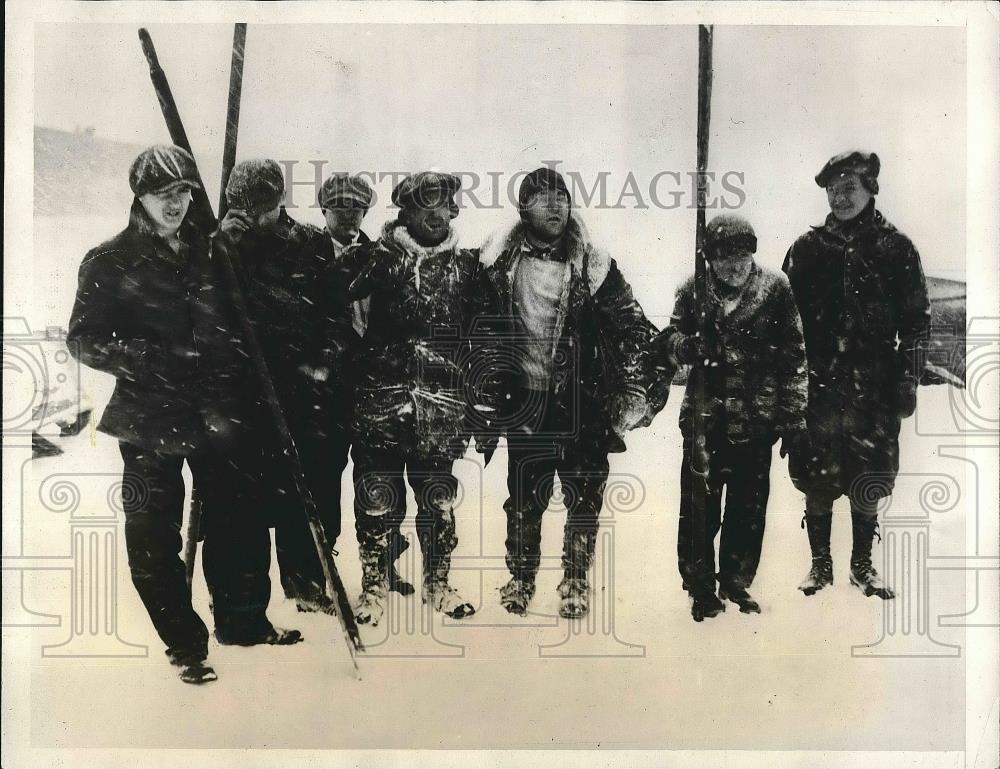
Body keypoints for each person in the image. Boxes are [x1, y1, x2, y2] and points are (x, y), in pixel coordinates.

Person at [67, 145, 299, 685]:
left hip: (219, 411)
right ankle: (185, 643)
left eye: (184, 192)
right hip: (149, 417)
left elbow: (243, 314)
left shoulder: (211, 252)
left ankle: (242, 621)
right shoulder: (109, 261)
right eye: (163, 194)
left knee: (237, 520)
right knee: (152, 534)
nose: (175, 204)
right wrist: (146, 357)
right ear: (140, 197)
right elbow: (84, 339)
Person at [478, 167, 661, 619]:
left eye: (561, 196)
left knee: (584, 496)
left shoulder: (595, 266)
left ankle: (575, 580)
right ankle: (520, 579)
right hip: (526, 401)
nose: (555, 204)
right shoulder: (497, 264)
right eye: (542, 197)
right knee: (524, 496)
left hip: (582, 402)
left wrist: (661, 355)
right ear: (524, 209)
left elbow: (632, 324)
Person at [783, 151, 930, 600]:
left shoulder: (897, 248)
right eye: (832, 189)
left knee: (870, 474)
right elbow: (784, 321)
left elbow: (918, 322)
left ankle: (862, 564)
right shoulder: (806, 250)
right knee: (816, 474)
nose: (839, 197)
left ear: (870, 188)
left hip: (875, 388)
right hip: (819, 387)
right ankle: (820, 563)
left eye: (848, 187)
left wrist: (908, 378)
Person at [214, 159, 357, 613]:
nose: (258, 217)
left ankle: (308, 583)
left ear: (281, 201)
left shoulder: (310, 243)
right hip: (243, 391)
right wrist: (224, 249)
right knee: (245, 501)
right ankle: (243, 602)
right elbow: (204, 309)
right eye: (247, 208)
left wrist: (325, 363)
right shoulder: (222, 246)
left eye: (267, 207)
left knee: (310, 488)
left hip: (304, 390)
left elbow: (336, 313)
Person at [657, 215, 808, 621]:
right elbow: (668, 341)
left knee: (748, 507)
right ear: (709, 258)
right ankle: (701, 585)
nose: (734, 264)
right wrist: (688, 345)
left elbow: (794, 355)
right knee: (698, 509)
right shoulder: (693, 289)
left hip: (757, 420)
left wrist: (793, 417)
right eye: (723, 256)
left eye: (742, 254)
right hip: (705, 420)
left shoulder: (775, 289)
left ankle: (736, 581)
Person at [346, 171, 481, 625]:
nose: (435, 211)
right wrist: (372, 261)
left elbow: (486, 334)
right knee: (376, 497)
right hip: (379, 405)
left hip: (440, 410)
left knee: (438, 498)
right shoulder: (378, 259)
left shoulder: (467, 269)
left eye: (441, 202)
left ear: (454, 209)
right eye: (424, 203)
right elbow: (337, 301)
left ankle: (438, 583)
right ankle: (373, 587)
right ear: (405, 211)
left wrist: (480, 397)